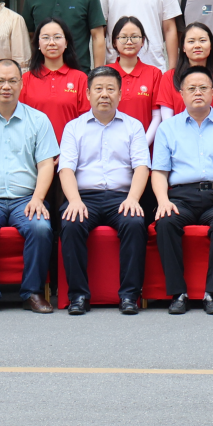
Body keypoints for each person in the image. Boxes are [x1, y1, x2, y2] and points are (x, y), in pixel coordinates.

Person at [0, 59, 60, 315]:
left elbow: (46, 165)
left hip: (26, 199)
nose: (6, 86)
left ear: (21, 84)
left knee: (40, 227)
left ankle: (33, 292)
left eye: (12, 81)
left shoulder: (38, 120)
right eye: (1, 81)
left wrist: (38, 198)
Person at [57, 67, 151, 315]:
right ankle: (78, 296)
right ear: (88, 93)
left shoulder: (133, 126)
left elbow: (142, 167)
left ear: (120, 94)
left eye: (111, 89)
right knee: (71, 223)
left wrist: (133, 198)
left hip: (121, 197)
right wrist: (74, 201)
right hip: (84, 197)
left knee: (134, 222)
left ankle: (129, 295)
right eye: (98, 89)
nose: (104, 94)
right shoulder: (73, 127)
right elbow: (65, 169)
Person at [151, 66, 213, 315]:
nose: (198, 92)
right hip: (181, 197)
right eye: (191, 88)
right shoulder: (168, 128)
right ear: (181, 94)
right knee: (166, 221)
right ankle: (178, 293)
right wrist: (163, 201)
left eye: (203, 88)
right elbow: (159, 172)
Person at [20, 18, 89, 141]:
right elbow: (20, 120)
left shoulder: (80, 79)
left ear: (66, 42)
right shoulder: (25, 79)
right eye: (45, 38)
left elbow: (86, 121)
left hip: (70, 149)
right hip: (35, 149)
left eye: (57, 37)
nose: (51, 43)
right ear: (38, 44)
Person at [156, 22, 213, 121]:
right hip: (178, 130)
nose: (197, 45)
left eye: (202, 40)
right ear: (183, 47)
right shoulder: (170, 77)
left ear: (211, 45)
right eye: (191, 41)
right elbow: (167, 118)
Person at [108, 16, 164, 142]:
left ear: (143, 41)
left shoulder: (154, 74)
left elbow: (157, 116)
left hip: (145, 146)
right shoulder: (105, 74)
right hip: (111, 146)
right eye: (123, 37)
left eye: (134, 37)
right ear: (114, 42)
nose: (129, 42)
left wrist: (142, 144)